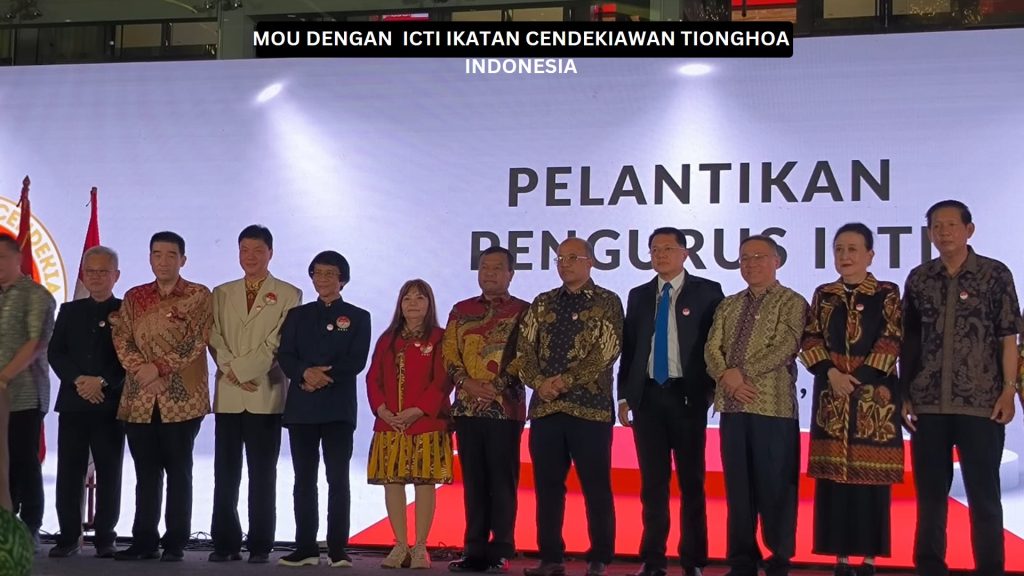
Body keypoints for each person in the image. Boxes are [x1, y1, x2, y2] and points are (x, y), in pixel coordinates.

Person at [902, 200, 1022, 576]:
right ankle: (929, 567)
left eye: (951, 225)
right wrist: (905, 394)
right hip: (928, 404)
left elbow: (1008, 337)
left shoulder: (994, 274)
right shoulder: (919, 278)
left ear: (969, 230)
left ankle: (990, 568)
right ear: (929, 233)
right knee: (930, 499)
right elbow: (909, 341)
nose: (944, 232)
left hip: (982, 403)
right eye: (937, 226)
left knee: (984, 498)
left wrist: (1008, 390)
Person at [618, 227, 723, 576]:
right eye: (654, 250)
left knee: (692, 483)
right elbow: (630, 349)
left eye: (667, 248)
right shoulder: (638, 295)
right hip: (648, 396)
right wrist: (625, 395)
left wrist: (710, 390)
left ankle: (693, 560)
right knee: (653, 484)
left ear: (684, 254)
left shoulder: (708, 292)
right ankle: (653, 559)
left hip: (687, 396)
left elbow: (717, 344)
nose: (660, 255)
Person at [799, 223, 903, 576]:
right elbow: (810, 338)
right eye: (839, 249)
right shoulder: (824, 294)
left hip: (874, 400)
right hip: (832, 397)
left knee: (871, 481)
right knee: (834, 483)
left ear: (870, 255)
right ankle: (840, 557)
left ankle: (870, 557)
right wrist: (831, 374)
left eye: (853, 249)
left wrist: (857, 379)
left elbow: (891, 338)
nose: (845, 256)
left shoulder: (886, 293)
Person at [518, 238, 623, 576]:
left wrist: (564, 381)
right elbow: (524, 349)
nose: (565, 264)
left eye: (572, 257)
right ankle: (551, 557)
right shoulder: (542, 302)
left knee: (595, 485)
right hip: (546, 409)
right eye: (560, 258)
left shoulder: (607, 301)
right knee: (547, 487)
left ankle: (600, 557)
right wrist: (539, 382)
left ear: (590, 261)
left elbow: (607, 350)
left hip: (590, 409)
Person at [704, 235, 807, 576]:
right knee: (738, 489)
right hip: (733, 408)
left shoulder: (792, 301)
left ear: (776, 261)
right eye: (745, 258)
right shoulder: (728, 304)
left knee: (776, 486)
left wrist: (740, 373)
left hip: (773, 408)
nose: (751, 264)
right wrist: (726, 376)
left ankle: (779, 559)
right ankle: (742, 561)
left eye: (759, 257)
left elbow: (786, 346)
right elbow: (711, 348)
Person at [112, 231, 212, 562]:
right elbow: (122, 339)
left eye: (171, 255)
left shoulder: (198, 295)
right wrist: (143, 371)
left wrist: (158, 369)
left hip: (182, 398)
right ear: (150, 258)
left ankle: (175, 542)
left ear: (183, 259)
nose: (163, 261)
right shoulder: (134, 296)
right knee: (145, 472)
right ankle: (144, 540)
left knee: (179, 472)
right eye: (157, 254)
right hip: (140, 397)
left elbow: (196, 341)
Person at [208, 225, 302, 564]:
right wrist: (232, 370)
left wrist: (245, 371)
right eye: (244, 250)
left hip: (265, 391)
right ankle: (225, 543)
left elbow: (278, 341)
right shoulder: (221, 292)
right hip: (229, 393)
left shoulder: (289, 294)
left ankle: (261, 544)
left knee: (263, 474)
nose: (250, 257)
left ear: (270, 253)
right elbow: (214, 336)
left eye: (258, 250)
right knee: (225, 473)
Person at [277, 251, 371, 568]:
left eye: (330, 273)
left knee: (338, 479)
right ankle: (305, 547)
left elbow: (356, 361)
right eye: (317, 273)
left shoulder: (358, 317)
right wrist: (305, 374)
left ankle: (338, 548)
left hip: (337, 409)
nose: (323, 279)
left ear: (342, 279)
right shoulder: (297, 315)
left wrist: (321, 378)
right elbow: (285, 355)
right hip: (302, 408)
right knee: (303, 479)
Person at [443, 246, 529, 573]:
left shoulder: (524, 311)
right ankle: (474, 549)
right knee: (474, 481)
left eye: (496, 267)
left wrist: (495, 386)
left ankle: (501, 549)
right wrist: (466, 383)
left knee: (502, 480)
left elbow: (526, 356)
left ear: (510, 274)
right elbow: (449, 354)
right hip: (467, 408)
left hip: (505, 409)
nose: (489, 273)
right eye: (484, 267)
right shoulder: (461, 310)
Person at [367, 279, 453, 570]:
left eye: (419, 298)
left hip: (427, 422)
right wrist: (382, 409)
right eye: (407, 298)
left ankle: (420, 547)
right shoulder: (387, 338)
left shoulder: (440, 338)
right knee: (392, 482)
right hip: (390, 423)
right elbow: (373, 378)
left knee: (424, 482)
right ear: (400, 305)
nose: (413, 304)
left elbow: (443, 380)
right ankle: (400, 545)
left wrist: (418, 410)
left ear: (429, 304)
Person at [47, 246, 127, 559]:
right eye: (90, 271)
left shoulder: (126, 311)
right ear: (83, 274)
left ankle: (105, 537)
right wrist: (80, 380)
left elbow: (129, 356)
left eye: (103, 272)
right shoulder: (69, 311)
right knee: (69, 472)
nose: (95, 277)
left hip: (110, 403)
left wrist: (102, 381)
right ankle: (68, 536)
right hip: (74, 402)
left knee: (110, 472)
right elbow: (56, 352)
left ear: (115, 275)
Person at [0, 234, 56, 550]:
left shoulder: (36, 295)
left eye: (2, 257)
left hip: (23, 394)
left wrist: (4, 377)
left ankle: (31, 525)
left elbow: (36, 343)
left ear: (17, 258)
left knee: (23, 460)